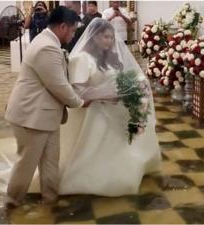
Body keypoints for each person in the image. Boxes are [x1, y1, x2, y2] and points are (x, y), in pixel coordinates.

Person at [58, 18, 161, 196]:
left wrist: (132, 86)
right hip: (92, 114)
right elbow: (79, 93)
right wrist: (111, 94)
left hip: (110, 110)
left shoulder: (106, 56)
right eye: (106, 37)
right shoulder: (81, 58)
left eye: (112, 38)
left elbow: (116, 78)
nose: (110, 41)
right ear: (94, 37)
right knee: (95, 150)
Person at [4, 6, 89, 208]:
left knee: (50, 162)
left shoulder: (48, 41)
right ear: (62, 27)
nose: (74, 34)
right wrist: (81, 102)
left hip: (46, 116)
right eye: (73, 30)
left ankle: (50, 201)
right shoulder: (46, 47)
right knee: (26, 164)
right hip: (31, 116)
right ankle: (11, 204)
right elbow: (58, 85)